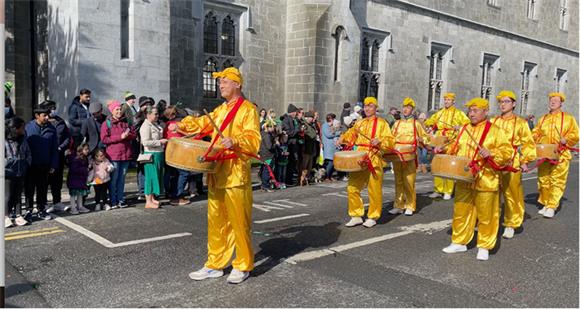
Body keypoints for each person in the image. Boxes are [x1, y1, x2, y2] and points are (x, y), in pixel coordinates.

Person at [168, 67, 260, 284]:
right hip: (217, 172)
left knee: (239, 221)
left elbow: (254, 138)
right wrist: (182, 124)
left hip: (236, 173)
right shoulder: (219, 110)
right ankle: (215, 264)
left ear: (237, 84)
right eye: (220, 82)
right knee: (216, 221)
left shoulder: (248, 110)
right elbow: (202, 123)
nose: (221, 85)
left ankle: (243, 264)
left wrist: (236, 141)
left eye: (225, 82)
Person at [439, 97, 513, 261]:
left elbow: (508, 152)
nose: (471, 114)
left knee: (487, 214)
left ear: (485, 111)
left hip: (486, 178)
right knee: (461, 210)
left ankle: (484, 246)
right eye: (470, 111)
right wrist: (443, 149)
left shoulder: (495, 130)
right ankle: (459, 241)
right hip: (464, 177)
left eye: (475, 111)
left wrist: (491, 153)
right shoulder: (464, 129)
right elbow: (455, 146)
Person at [337, 96, 395, 228]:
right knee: (352, 187)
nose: (367, 108)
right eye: (366, 106)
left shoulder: (382, 123)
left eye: (370, 106)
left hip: (374, 158)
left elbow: (391, 141)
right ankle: (356, 215)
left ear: (375, 108)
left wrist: (380, 141)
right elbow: (350, 135)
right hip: (360, 158)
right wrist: (342, 139)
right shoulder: (359, 123)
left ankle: (373, 216)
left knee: (374, 189)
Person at [491, 90, 537, 238]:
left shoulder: (521, 123)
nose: (503, 104)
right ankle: (491, 221)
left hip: (512, 162)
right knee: (492, 193)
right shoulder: (493, 121)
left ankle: (511, 223)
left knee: (512, 193)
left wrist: (525, 161)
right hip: (494, 162)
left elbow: (528, 143)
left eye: (506, 101)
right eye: (501, 102)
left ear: (514, 104)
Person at [532, 92, 579, 218]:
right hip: (545, 152)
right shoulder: (542, 119)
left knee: (557, 180)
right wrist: (535, 137)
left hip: (561, 153)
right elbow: (535, 132)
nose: (552, 102)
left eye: (556, 100)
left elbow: (575, 134)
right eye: (551, 100)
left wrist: (567, 139)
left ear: (561, 103)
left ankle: (552, 206)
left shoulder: (568, 118)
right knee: (543, 179)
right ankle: (546, 203)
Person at [424, 92, 470, 200]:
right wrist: (428, 123)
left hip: (451, 140)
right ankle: (438, 189)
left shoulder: (459, 113)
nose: (446, 102)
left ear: (453, 101)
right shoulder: (439, 113)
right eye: (445, 100)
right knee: (438, 164)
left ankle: (448, 190)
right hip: (439, 139)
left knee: (448, 165)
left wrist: (459, 126)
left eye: (449, 100)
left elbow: (468, 124)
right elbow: (431, 121)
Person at [387, 97, 427, 216]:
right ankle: (398, 204)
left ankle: (410, 204)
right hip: (397, 155)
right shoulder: (397, 123)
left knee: (409, 181)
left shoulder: (416, 124)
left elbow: (426, 137)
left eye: (408, 107)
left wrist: (421, 139)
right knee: (398, 181)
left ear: (412, 110)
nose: (405, 109)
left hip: (410, 155)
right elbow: (390, 137)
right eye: (404, 107)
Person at [25, 104, 59, 221]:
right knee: (29, 189)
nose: (47, 118)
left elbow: (55, 148)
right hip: (30, 165)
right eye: (44, 115)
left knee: (42, 189)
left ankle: (41, 210)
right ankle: (28, 211)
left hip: (45, 165)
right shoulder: (28, 127)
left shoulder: (52, 129)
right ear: (37, 116)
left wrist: (53, 164)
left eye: (47, 115)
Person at [101, 100, 137, 209]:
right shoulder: (106, 123)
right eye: (117, 109)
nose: (119, 111)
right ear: (112, 111)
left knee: (122, 179)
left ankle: (121, 199)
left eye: (120, 109)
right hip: (114, 155)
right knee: (114, 179)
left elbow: (134, 134)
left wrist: (128, 135)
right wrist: (120, 137)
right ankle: (113, 200)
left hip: (125, 155)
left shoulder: (125, 122)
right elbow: (104, 139)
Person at [37, 100, 71, 214]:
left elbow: (67, 137)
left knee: (57, 180)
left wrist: (61, 147)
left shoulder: (60, 121)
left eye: (54, 107)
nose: (54, 110)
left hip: (59, 155)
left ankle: (57, 202)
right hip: (46, 156)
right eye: (52, 108)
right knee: (45, 181)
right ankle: (44, 203)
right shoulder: (42, 122)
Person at [5, 117, 32, 227]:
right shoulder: (5, 140)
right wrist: (10, 163)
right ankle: (5, 216)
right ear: (15, 128)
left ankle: (18, 215)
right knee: (7, 195)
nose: (24, 129)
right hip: (8, 173)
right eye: (22, 127)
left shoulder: (23, 139)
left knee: (17, 195)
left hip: (21, 171)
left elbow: (28, 153)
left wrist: (26, 163)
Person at [139, 106, 167, 209]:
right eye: (155, 114)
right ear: (148, 114)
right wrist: (160, 142)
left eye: (157, 114)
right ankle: (148, 201)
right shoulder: (145, 126)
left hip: (158, 153)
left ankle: (152, 198)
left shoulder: (154, 124)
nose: (157, 116)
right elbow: (145, 142)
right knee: (150, 178)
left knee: (156, 177)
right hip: (151, 154)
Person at [163, 105, 191, 206]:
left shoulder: (167, 124)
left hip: (170, 152)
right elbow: (183, 136)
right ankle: (177, 196)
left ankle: (172, 194)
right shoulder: (176, 124)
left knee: (174, 175)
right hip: (178, 152)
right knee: (184, 173)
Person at [66, 143, 91, 214]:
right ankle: (73, 208)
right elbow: (74, 169)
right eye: (86, 149)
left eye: (88, 149)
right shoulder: (75, 159)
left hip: (81, 180)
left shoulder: (84, 158)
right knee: (73, 195)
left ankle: (80, 207)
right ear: (80, 150)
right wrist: (85, 169)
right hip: (74, 180)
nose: (87, 151)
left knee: (80, 194)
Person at [282, 104, 300, 185]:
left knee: (293, 162)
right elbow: (289, 133)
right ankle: (287, 180)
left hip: (294, 144)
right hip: (289, 145)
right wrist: (297, 130)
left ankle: (290, 178)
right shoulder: (286, 120)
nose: (296, 114)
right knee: (289, 163)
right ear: (292, 112)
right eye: (296, 112)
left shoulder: (293, 120)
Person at [321, 113, 341, 181]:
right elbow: (328, 135)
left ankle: (330, 176)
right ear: (330, 119)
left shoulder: (332, 125)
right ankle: (327, 177)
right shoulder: (325, 125)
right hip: (328, 147)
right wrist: (338, 133)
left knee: (334, 162)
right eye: (333, 119)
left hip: (333, 147)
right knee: (330, 162)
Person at [259, 120, 277, 192]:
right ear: (269, 127)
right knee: (267, 170)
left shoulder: (262, 133)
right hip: (268, 155)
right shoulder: (267, 135)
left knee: (264, 170)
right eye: (273, 127)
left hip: (263, 155)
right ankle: (265, 185)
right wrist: (275, 144)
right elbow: (269, 146)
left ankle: (264, 185)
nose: (274, 129)